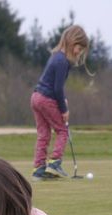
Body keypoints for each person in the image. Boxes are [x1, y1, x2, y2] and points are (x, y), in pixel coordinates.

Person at [30, 24, 90, 180]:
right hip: (46, 99)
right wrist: (64, 110)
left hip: (36, 97)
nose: (79, 52)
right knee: (62, 130)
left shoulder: (55, 56)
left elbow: (54, 86)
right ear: (71, 42)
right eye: (79, 47)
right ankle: (55, 163)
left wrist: (62, 99)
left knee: (43, 134)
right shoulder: (63, 61)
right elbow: (57, 89)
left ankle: (39, 169)